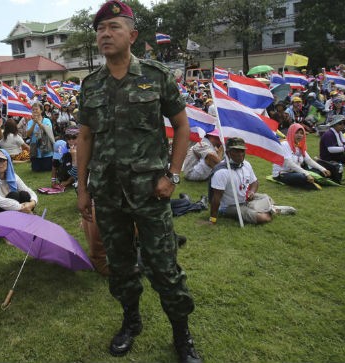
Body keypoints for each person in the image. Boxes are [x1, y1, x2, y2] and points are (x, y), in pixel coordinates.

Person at [76, 2, 200, 362]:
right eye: (100, 29)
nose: (105, 34)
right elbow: (84, 138)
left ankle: (182, 336)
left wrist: (172, 176)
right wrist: (83, 189)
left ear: (132, 35)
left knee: (164, 268)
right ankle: (131, 322)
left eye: (113, 27)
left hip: (151, 193)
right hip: (109, 195)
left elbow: (181, 127)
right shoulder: (91, 84)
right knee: (121, 265)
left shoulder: (157, 75)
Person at [209, 138, 279, 225]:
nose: (240, 154)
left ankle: (265, 209)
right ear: (228, 153)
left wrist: (252, 192)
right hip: (229, 206)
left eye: (242, 151)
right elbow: (216, 198)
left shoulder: (246, 164)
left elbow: (255, 182)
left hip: (245, 201)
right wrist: (213, 220)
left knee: (266, 197)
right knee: (263, 218)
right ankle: (269, 210)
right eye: (236, 151)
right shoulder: (222, 172)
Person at [272, 124, 331, 189]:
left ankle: (310, 181)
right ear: (291, 133)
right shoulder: (284, 144)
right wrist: (306, 173)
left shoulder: (299, 146)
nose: (299, 135)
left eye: (302, 133)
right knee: (302, 177)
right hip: (283, 173)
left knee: (320, 172)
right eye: (296, 132)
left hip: (296, 171)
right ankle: (309, 183)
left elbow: (309, 160)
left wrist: (322, 169)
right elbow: (289, 163)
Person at [0, 149, 37, 217]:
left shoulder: (13, 176)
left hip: (13, 207)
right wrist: (22, 207)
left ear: (8, 162)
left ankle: (23, 217)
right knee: (13, 195)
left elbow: (27, 189)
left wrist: (33, 202)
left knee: (24, 194)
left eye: (1, 160)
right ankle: (25, 215)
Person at [26, 102, 55, 172]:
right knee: (36, 170)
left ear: (41, 111)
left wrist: (38, 122)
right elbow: (28, 134)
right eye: (33, 110)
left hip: (46, 149)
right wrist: (34, 123)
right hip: (35, 149)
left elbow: (48, 130)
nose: (35, 111)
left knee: (47, 169)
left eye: (36, 109)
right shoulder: (30, 122)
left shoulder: (47, 120)